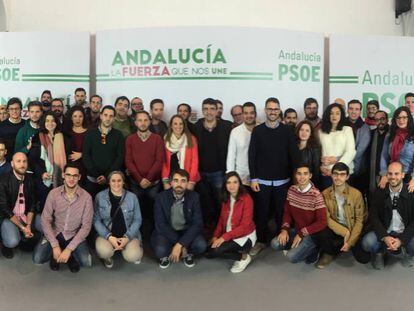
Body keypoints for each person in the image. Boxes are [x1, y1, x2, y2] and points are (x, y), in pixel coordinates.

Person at [248, 97, 300, 255]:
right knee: (261, 213)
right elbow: (252, 155)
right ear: (265, 110)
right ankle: (262, 241)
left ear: (279, 111)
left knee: (281, 213)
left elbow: (294, 156)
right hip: (261, 182)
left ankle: (281, 241)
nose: (272, 112)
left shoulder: (286, 131)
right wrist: (253, 178)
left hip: (282, 182)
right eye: (270, 109)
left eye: (275, 109)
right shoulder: (258, 131)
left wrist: (296, 179)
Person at [33, 163, 93, 272]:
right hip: (56, 232)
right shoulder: (53, 194)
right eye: (68, 175)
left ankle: (68, 256)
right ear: (63, 176)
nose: (71, 178)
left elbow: (86, 226)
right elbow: (45, 219)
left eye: (75, 176)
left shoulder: (87, 198)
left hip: (74, 234)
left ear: (79, 177)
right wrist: (55, 245)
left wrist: (69, 249)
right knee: (38, 258)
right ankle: (56, 253)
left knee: (86, 262)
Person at [362, 162, 414, 269]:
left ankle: (408, 252)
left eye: (396, 174)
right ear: (386, 175)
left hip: (404, 231)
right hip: (386, 231)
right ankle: (379, 252)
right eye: (390, 174)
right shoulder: (380, 192)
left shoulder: (411, 193)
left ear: (403, 175)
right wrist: (384, 236)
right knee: (367, 243)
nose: (393, 177)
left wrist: (402, 239)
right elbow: (374, 216)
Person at [271, 165, 326, 263]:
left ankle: (315, 249)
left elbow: (322, 222)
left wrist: (301, 234)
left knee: (291, 257)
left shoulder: (316, 195)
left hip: (311, 234)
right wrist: (284, 230)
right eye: (299, 174)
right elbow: (287, 213)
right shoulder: (292, 190)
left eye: (305, 174)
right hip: (296, 230)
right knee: (275, 244)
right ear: (295, 176)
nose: (302, 177)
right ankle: (299, 246)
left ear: (310, 176)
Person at [151, 169, 207, 268]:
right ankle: (182, 250)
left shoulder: (194, 197)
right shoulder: (161, 197)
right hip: (167, 231)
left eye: (183, 181)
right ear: (171, 182)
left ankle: (185, 252)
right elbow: (160, 224)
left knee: (201, 245)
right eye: (176, 180)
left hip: (186, 231)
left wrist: (180, 244)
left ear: (187, 183)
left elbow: (197, 223)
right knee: (160, 251)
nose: (179, 184)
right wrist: (181, 244)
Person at [315, 162, 366, 268]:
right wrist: (344, 232)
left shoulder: (356, 194)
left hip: (352, 227)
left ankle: (346, 244)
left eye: (342, 174)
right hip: (336, 227)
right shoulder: (324, 194)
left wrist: (350, 241)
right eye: (335, 174)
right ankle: (330, 253)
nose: (338, 177)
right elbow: (326, 218)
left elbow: (359, 220)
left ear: (347, 177)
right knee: (321, 231)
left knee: (364, 259)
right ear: (331, 175)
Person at [206, 172, 256, 273]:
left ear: (239, 184)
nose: (232, 185)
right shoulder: (226, 197)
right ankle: (232, 249)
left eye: (235, 182)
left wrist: (223, 238)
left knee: (217, 250)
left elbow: (244, 227)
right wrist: (216, 236)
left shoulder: (247, 199)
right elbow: (221, 219)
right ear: (225, 185)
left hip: (244, 236)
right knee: (208, 253)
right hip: (229, 233)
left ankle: (243, 257)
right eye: (228, 182)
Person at [125, 110, 164, 238]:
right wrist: (139, 179)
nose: (143, 123)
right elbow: (128, 161)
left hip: (153, 183)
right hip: (136, 183)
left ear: (149, 121)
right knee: (136, 211)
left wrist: (148, 178)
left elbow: (159, 160)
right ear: (135, 122)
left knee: (154, 212)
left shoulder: (157, 138)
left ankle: (154, 237)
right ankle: (136, 237)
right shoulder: (130, 139)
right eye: (140, 120)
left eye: (145, 120)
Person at [93, 171, 143, 268]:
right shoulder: (100, 197)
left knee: (132, 256)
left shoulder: (132, 197)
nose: (116, 183)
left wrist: (127, 237)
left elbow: (138, 219)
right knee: (104, 252)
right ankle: (108, 256)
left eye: (119, 181)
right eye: (113, 181)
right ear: (109, 182)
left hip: (128, 234)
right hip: (107, 234)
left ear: (123, 182)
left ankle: (135, 248)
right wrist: (109, 237)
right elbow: (96, 220)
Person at [195, 98, 232, 226]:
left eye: (212, 109)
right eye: (205, 109)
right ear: (202, 110)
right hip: (201, 172)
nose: (209, 112)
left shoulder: (226, 127)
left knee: (220, 202)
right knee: (205, 202)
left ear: (217, 111)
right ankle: (208, 230)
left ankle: (221, 226)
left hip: (219, 172)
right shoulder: (196, 127)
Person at [0, 152, 40, 258]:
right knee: (12, 241)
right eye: (18, 161)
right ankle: (5, 245)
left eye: (24, 161)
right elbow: (4, 209)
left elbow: (32, 203)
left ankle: (24, 236)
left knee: (43, 223)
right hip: (8, 217)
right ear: (12, 164)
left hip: (24, 215)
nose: (22, 164)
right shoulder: (3, 181)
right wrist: (23, 227)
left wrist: (28, 225)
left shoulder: (30, 179)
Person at [83, 105, 124, 198]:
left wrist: (106, 176)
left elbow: (120, 157)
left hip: (110, 180)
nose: (108, 118)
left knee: (108, 208)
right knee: (90, 208)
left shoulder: (118, 135)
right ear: (101, 116)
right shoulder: (90, 133)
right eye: (105, 115)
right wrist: (97, 175)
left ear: (114, 118)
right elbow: (86, 155)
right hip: (92, 179)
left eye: (111, 116)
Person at [32, 111, 67, 211]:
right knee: (45, 208)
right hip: (44, 180)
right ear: (43, 122)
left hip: (61, 177)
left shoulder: (64, 137)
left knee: (60, 208)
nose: (50, 123)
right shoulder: (37, 138)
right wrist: (42, 173)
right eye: (47, 120)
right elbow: (33, 161)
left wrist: (65, 171)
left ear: (57, 122)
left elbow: (68, 158)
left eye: (53, 120)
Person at [319, 103, 356, 190]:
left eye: (337, 113)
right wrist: (320, 166)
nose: (334, 116)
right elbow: (318, 152)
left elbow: (351, 152)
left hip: (343, 173)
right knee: (327, 201)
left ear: (341, 115)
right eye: (331, 113)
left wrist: (336, 165)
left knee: (345, 202)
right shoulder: (321, 132)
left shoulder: (347, 130)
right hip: (326, 173)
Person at [379, 106, 414, 192]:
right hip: (392, 175)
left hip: (409, 176)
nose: (401, 120)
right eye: (398, 117)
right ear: (395, 119)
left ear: (409, 118)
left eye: (404, 117)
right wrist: (384, 174)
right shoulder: (390, 135)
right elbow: (384, 156)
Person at [162, 115, 199, 190]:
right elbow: (164, 162)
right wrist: (165, 181)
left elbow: (195, 162)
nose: (178, 126)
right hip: (170, 179)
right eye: (175, 124)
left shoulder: (191, 139)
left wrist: (191, 181)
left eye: (181, 123)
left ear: (184, 125)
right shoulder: (166, 139)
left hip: (187, 179)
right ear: (171, 126)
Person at [226, 102, 257, 186]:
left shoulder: (261, 129)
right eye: (246, 113)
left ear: (255, 114)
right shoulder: (235, 132)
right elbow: (231, 156)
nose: (249, 116)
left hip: (259, 178)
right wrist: (230, 177)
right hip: (241, 178)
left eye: (252, 113)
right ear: (243, 114)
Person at [344, 99, 371, 193]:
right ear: (347, 110)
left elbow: (360, 151)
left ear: (360, 111)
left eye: (357, 109)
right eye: (351, 108)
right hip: (342, 169)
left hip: (358, 170)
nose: (353, 111)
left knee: (357, 198)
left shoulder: (365, 128)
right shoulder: (341, 125)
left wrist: (344, 159)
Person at [63, 106, 88, 185]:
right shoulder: (66, 132)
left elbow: (95, 150)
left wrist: (82, 155)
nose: (78, 119)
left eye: (80, 116)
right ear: (71, 117)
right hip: (69, 169)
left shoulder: (90, 132)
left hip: (85, 168)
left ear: (84, 117)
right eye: (75, 116)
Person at [368, 110, 389, 196]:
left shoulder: (394, 134)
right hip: (373, 174)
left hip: (390, 175)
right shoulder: (371, 134)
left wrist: (386, 174)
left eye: (382, 119)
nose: (380, 122)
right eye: (377, 120)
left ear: (387, 120)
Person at [295, 120, 321, 188]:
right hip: (294, 181)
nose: (304, 133)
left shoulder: (315, 149)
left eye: (307, 130)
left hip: (308, 184)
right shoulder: (293, 146)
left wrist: (312, 187)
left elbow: (316, 170)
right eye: (301, 130)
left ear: (311, 133)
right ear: (298, 131)